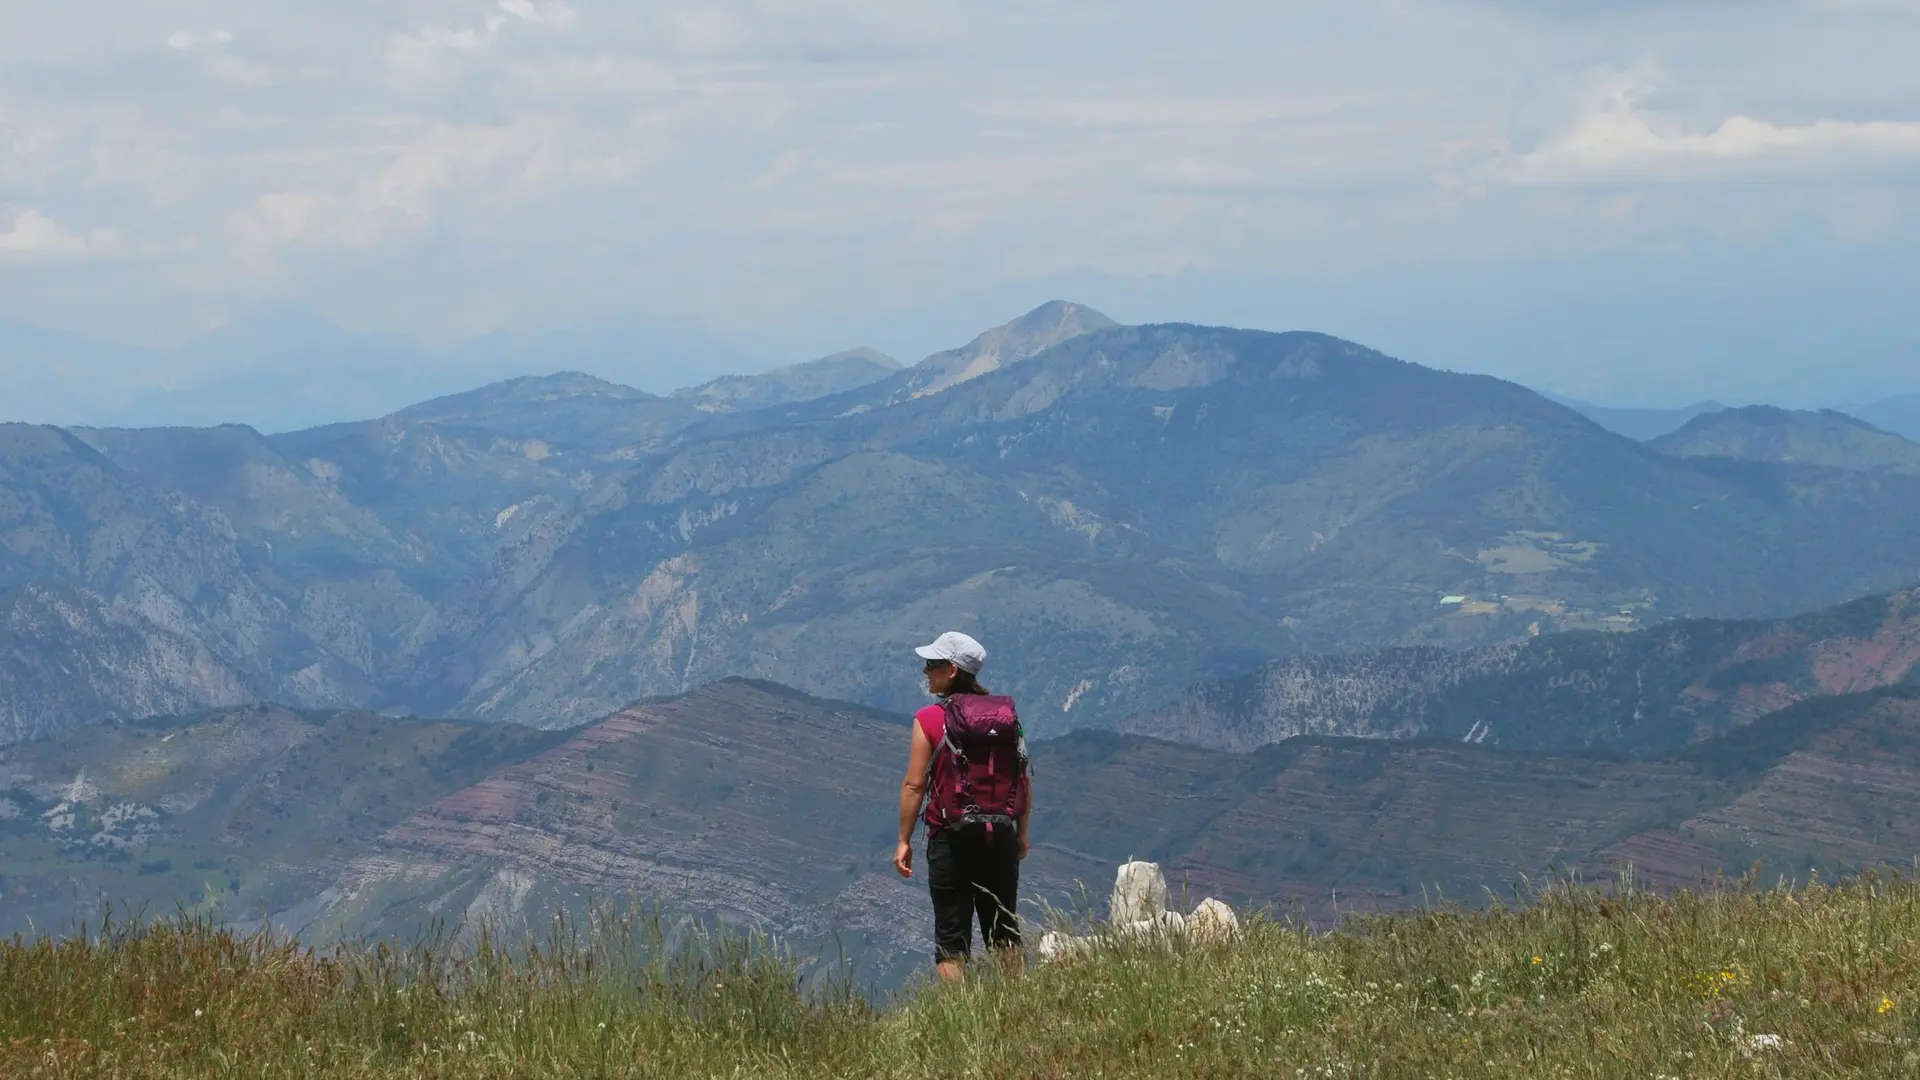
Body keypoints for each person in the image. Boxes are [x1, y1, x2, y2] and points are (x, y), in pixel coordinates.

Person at [893, 630, 1032, 982]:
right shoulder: (1006, 718)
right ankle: (1021, 1008)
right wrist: (1022, 835)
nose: (926, 671)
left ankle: (960, 1021)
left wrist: (904, 839)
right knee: (1004, 931)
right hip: (999, 837)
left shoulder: (928, 719)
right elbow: (1022, 780)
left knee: (952, 941)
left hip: (950, 839)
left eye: (932, 664)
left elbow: (914, 784)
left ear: (952, 671)